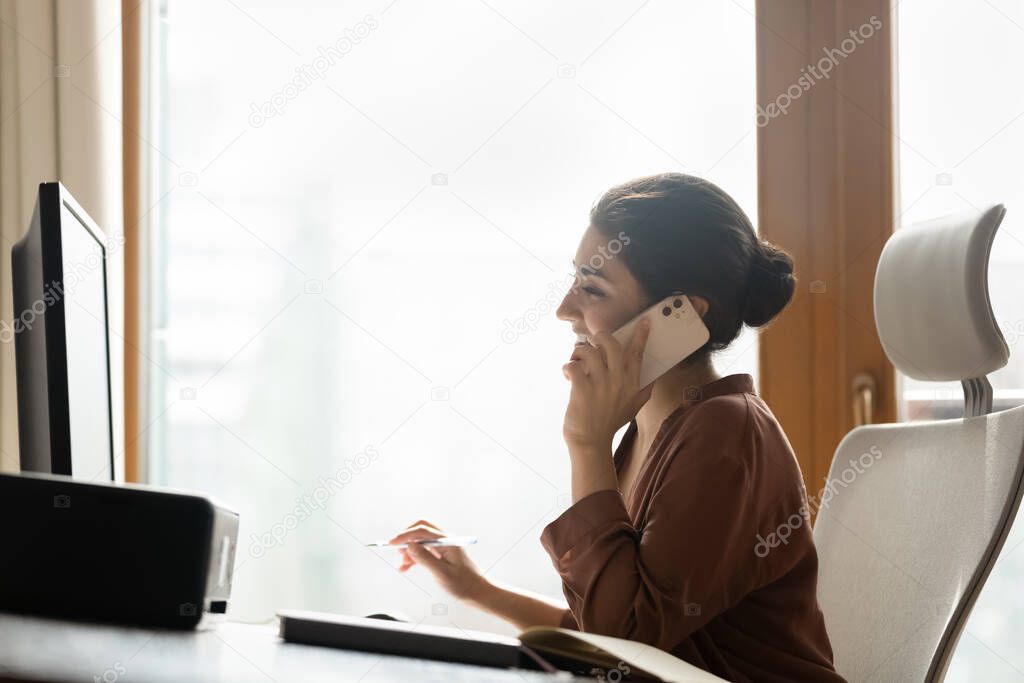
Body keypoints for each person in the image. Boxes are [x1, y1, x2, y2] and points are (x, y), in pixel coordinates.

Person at [389, 172, 845, 682]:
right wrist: (477, 591)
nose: (564, 310)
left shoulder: (726, 432)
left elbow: (623, 639)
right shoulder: (655, 426)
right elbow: (614, 625)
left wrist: (587, 444)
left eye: (593, 288)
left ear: (682, 314)